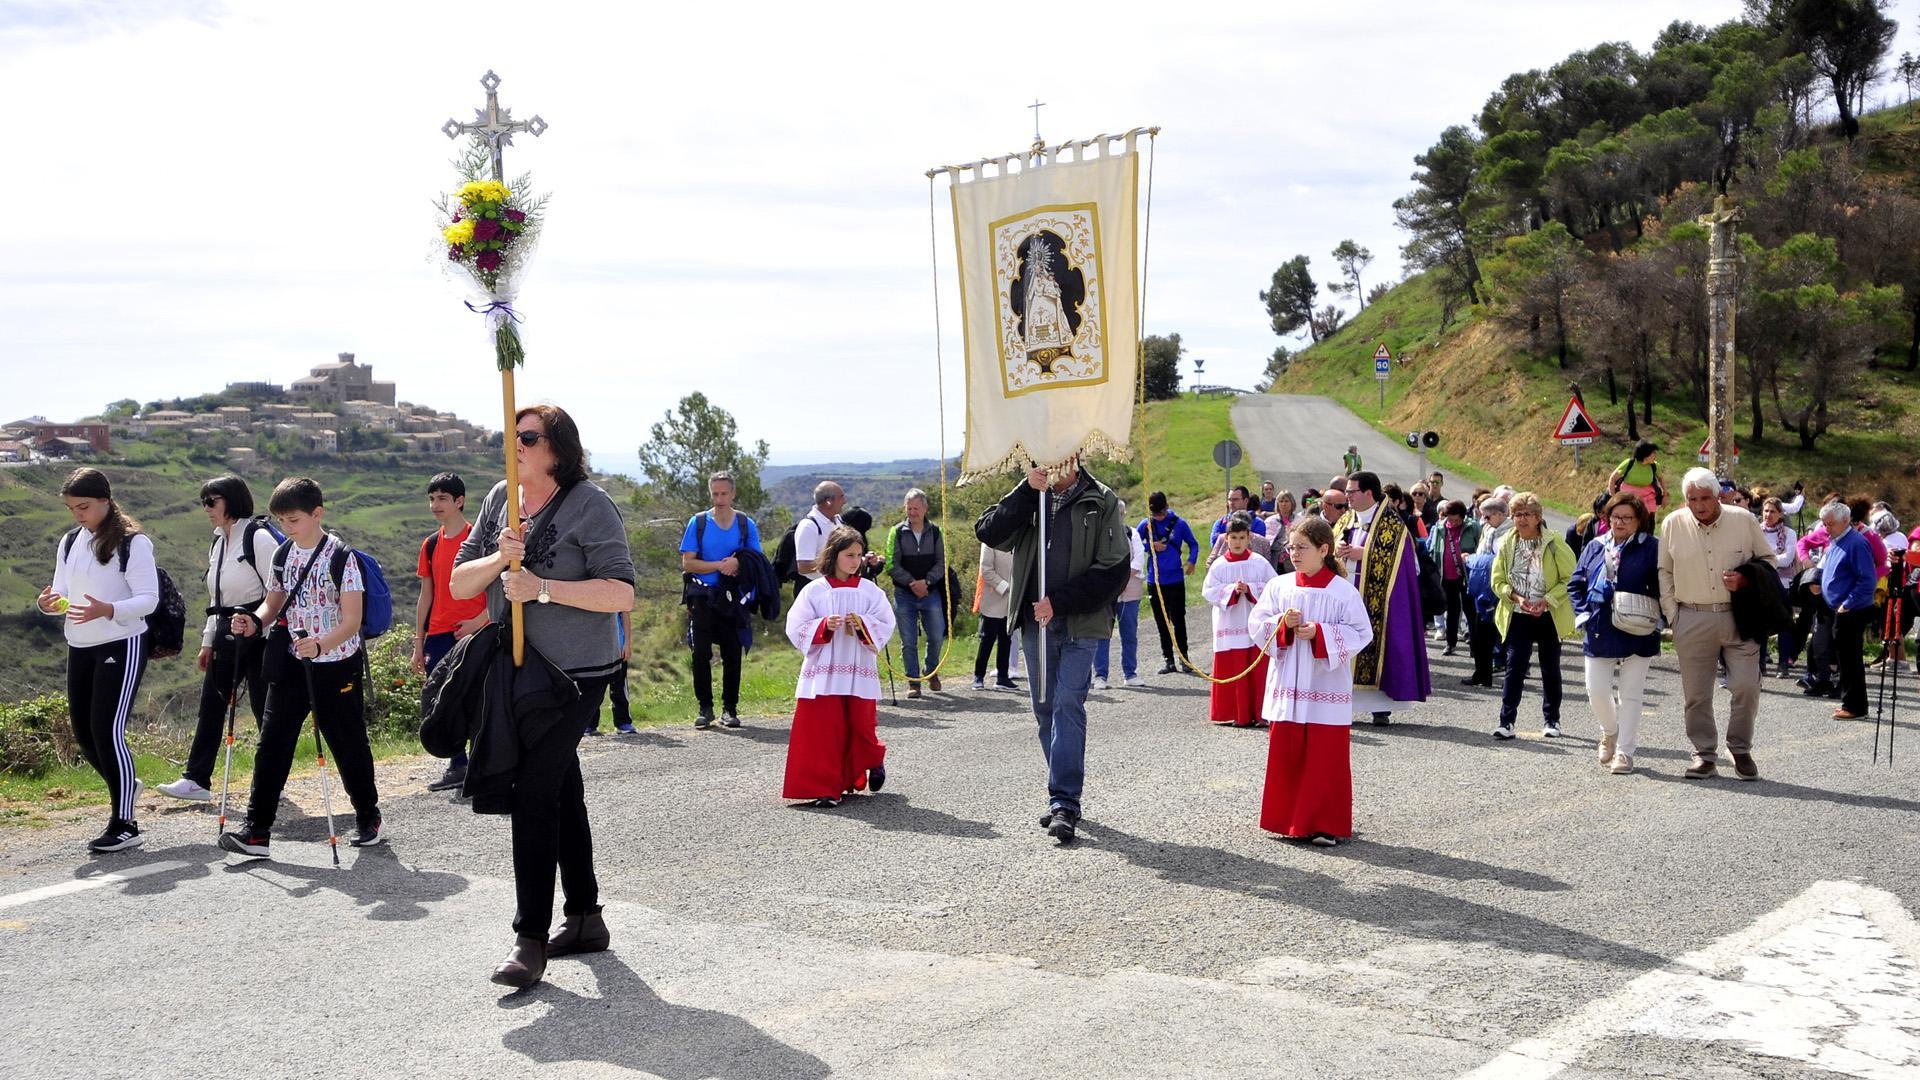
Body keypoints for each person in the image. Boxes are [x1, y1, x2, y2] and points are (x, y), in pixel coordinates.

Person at [451, 404, 637, 989]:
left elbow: (620, 594)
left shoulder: (591, 504)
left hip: (579, 674)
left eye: (527, 436)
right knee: (560, 785)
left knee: (533, 790)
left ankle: (529, 937)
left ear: (557, 448)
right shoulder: (500, 498)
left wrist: (543, 589)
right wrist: (497, 558)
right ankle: (585, 917)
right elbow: (460, 582)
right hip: (520, 669)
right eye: (510, 434)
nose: (516, 443)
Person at [219, 477, 384, 859]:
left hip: (336, 663)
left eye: (293, 520)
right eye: (281, 521)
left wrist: (321, 643)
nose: (286, 528)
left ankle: (367, 815)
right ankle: (257, 831)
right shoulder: (283, 555)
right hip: (293, 661)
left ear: (317, 514)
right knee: (273, 742)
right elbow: (273, 604)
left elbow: (352, 619)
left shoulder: (343, 557)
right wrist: (254, 621)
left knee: (346, 743)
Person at [976, 461, 1130, 844]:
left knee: (1067, 704)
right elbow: (989, 531)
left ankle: (1063, 802)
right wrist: (1027, 490)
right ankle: (1064, 791)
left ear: (1075, 455)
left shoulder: (1101, 499)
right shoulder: (1032, 491)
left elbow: (1114, 570)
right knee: (1044, 707)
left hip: (1081, 621)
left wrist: (1059, 602)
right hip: (1035, 623)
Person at [38, 468, 158, 853]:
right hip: (80, 644)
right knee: (85, 734)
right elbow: (61, 591)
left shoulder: (133, 543)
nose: (78, 515)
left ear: (106, 501)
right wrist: (50, 604)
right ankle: (125, 785)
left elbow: (147, 601)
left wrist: (108, 609)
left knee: (107, 730)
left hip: (120, 643)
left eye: (84, 507)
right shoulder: (70, 540)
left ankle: (126, 824)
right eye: (72, 508)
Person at [1246, 516, 1373, 846]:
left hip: (1324, 687)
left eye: (1302, 547)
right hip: (1289, 684)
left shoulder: (1342, 592)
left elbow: (1363, 633)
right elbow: (1257, 625)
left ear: (1324, 549)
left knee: (1323, 757)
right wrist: (1282, 625)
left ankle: (1323, 824)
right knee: (1287, 752)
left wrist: (1320, 633)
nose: (1294, 553)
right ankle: (1286, 819)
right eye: (1291, 546)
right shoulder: (1280, 586)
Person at [158, 475, 275, 804]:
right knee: (212, 703)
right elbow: (217, 599)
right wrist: (208, 641)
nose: (206, 509)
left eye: (212, 502)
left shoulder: (259, 538)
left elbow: (278, 592)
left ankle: (270, 781)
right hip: (227, 629)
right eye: (204, 502)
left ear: (232, 501)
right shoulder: (218, 541)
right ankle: (196, 779)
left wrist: (260, 628)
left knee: (264, 707)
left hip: (260, 632)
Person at [1658, 467, 1771, 781]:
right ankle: (1704, 754)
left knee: (1747, 685)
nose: (1698, 504)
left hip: (1739, 616)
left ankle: (1740, 748)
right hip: (1690, 616)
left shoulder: (1744, 521)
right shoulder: (1672, 524)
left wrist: (1746, 578)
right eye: (1692, 498)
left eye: (1705, 497)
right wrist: (1673, 615)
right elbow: (1664, 571)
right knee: (1696, 693)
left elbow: (1769, 562)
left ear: (1719, 495)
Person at [783, 526, 896, 806]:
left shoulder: (870, 591)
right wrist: (824, 625)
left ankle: (873, 759)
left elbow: (886, 623)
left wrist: (862, 625)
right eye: (849, 555)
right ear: (834, 555)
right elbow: (795, 626)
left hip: (858, 667)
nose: (856, 561)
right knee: (825, 729)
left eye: (859, 555)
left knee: (861, 724)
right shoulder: (815, 591)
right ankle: (826, 788)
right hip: (825, 671)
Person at [1569, 494, 1660, 773]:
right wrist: (1583, 612)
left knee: (1631, 694)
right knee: (1595, 690)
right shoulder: (1595, 546)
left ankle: (1625, 752)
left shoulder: (1652, 547)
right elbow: (1576, 583)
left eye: (1626, 518)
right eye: (1614, 517)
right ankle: (1609, 731)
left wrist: (1662, 618)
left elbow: (1664, 585)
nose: (1619, 522)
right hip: (1599, 627)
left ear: (1639, 521)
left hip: (1640, 627)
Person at [1332, 472, 1432, 725]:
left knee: (1379, 644)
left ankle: (1380, 707)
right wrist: (1338, 551)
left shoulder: (1391, 523)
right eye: (1347, 492)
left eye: (1352, 492)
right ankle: (1344, 703)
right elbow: (1329, 547)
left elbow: (1405, 562)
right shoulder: (1346, 519)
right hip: (1347, 595)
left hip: (1377, 599)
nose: (1348, 497)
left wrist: (1362, 553)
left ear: (1368, 493)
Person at [411, 472, 490, 790]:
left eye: (442, 498)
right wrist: (419, 642)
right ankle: (458, 765)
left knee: (479, 699)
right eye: (432, 498)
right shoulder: (430, 545)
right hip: (440, 635)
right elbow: (425, 595)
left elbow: (498, 588)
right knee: (444, 702)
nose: (435, 504)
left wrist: (479, 622)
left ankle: (483, 764)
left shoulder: (480, 540)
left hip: (475, 633)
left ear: (460, 501)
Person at [1489, 493, 1576, 739]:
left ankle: (1552, 720)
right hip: (1518, 614)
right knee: (1514, 667)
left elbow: (1570, 578)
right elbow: (1497, 580)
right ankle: (1506, 722)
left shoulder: (1555, 541)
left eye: (1527, 514)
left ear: (1538, 518)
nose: (1522, 519)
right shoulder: (1507, 542)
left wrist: (1547, 601)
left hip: (1549, 615)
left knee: (1550, 667)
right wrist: (1514, 597)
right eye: (1517, 514)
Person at [680, 471, 762, 728]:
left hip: (732, 599)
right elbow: (688, 562)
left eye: (724, 493)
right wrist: (719, 565)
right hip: (702, 596)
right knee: (700, 653)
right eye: (715, 493)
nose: (719, 498)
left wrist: (738, 562)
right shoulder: (699, 522)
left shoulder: (745, 524)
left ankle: (730, 709)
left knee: (732, 652)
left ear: (733, 493)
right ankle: (705, 708)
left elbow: (756, 560)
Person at [1201, 513, 1277, 726]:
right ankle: (1238, 714)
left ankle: (1261, 714)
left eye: (1242, 538)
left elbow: (1274, 588)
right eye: (1233, 538)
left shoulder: (1259, 562)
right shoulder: (1219, 565)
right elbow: (1208, 591)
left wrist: (1251, 588)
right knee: (1235, 670)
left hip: (1254, 626)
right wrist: (1231, 590)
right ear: (1226, 539)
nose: (1237, 542)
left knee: (1258, 671)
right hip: (1230, 624)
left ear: (1249, 538)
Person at [887, 488, 948, 699]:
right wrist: (912, 583)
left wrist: (927, 582)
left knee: (937, 636)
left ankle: (930, 671)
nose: (912, 512)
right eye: (909, 508)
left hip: (931, 592)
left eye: (916, 508)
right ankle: (914, 682)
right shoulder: (896, 532)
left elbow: (942, 562)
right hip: (905, 594)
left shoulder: (936, 532)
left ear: (925, 509)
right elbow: (891, 564)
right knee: (908, 640)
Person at [1820, 502, 1877, 721]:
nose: (1827, 528)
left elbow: (1867, 579)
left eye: (1830, 524)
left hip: (1852, 610)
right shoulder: (1836, 540)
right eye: (1825, 524)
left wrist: (1848, 603)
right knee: (1845, 657)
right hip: (1839, 608)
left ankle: (1855, 706)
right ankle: (1849, 701)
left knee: (1850, 658)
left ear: (1845, 520)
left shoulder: (1856, 543)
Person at [1139, 490, 1202, 676]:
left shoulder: (1179, 524)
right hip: (1155, 581)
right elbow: (1134, 543)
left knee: (1178, 620)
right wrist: (1151, 547)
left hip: (1175, 579)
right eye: (1155, 513)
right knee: (1162, 622)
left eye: (1160, 512)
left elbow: (1194, 544)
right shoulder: (1146, 525)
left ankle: (1184, 658)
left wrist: (1192, 561)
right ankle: (1168, 660)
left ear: (1166, 507)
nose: (1158, 517)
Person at [1093, 499, 1147, 690]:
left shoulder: (1132, 533)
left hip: (1130, 591)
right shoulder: (1098, 534)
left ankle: (1130, 673)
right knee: (1102, 634)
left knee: (1129, 633)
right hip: (1106, 593)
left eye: (1121, 513)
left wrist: (1122, 580)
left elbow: (1139, 559)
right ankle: (1100, 675)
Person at [1426, 499, 1480, 656]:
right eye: (1450, 519)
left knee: (1471, 611)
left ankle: (1474, 646)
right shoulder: (1439, 528)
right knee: (1452, 611)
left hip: (1467, 576)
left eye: (1457, 520)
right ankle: (1450, 643)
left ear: (1463, 517)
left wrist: (1471, 558)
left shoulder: (1473, 528)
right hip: (1447, 577)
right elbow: (1432, 548)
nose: (1453, 523)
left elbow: (1480, 548)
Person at [1759, 497, 1801, 678]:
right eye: (1766, 511)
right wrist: (1772, 560)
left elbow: (1788, 557)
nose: (1768, 515)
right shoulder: (1756, 531)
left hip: (1783, 584)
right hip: (1761, 582)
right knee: (1761, 625)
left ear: (1780, 514)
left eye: (1773, 511)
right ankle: (1760, 663)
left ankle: (1783, 663)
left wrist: (1766, 560)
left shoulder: (1789, 533)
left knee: (1784, 623)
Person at [974, 541, 1019, 691]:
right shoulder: (990, 541)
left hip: (1012, 601)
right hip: (993, 599)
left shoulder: (1018, 538)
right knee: (987, 639)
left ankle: (1003, 677)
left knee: (1006, 639)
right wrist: (1006, 587)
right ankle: (978, 677)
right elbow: (986, 570)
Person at [1609, 441, 1666, 518]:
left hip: (1649, 499)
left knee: (1649, 522)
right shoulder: (1629, 463)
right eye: (1653, 453)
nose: (1655, 455)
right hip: (1628, 500)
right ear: (1645, 454)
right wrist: (1614, 499)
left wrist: (1665, 496)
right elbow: (1612, 479)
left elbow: (1661, 479)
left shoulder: (1654, 466)